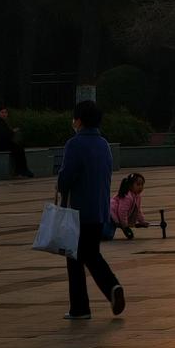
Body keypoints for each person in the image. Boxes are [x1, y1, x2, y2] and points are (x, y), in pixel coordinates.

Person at [56, 100, 125, 320]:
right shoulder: (103, 144)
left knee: (80, 256)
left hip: (78, 211)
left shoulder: (75, 144)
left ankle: (103, 292)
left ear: (79, 120)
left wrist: (60, 182)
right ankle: (82, 306)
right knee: (86, 253)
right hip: (99, 210)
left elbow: (66, 178)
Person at [0, 103, 34, 178]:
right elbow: (2, 134)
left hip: (3, 143)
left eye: (5, 112)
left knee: (19, 148)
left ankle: (22, 170)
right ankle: (21, 170)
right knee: (18, 148)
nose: (4, 114)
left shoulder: (1, 122)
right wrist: (12, 131)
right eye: (2, 112)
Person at [108, 172, 148, 238]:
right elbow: (122, 212)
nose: (140, 187)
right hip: (110, 215)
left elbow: (137, 210)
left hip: (114, 217)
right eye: (138, 184)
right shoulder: (127, 196)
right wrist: (125, 227)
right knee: (106, 235)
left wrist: (142, 221)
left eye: (142, 184)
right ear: (130, 185)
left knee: (108, 235)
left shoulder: (137, 196)